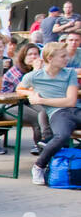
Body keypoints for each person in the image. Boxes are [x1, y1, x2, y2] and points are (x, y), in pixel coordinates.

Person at [26, 42, 80, 186]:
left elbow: (71, 101)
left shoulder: (70, 73)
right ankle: (39, 166)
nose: (67, 58)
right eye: (63, 56)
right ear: (50, 58)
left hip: (75, 110)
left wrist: (41, 100)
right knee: (62, 136)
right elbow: (20, 87)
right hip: (58, 113)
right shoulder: (34, 76)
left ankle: (68, 157)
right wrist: (31, 94)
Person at [1, 42, 48, 154]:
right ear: (23, 57)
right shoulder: (15, 71)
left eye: (36, 54)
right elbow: (28, 90)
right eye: (30, 54)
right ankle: (40, 147)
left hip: (28, 102)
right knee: (37, 117)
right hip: (9, 105)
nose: (33, 57)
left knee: (46, 113)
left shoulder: (41, 69)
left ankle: (50, 144)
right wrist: (36, 71)